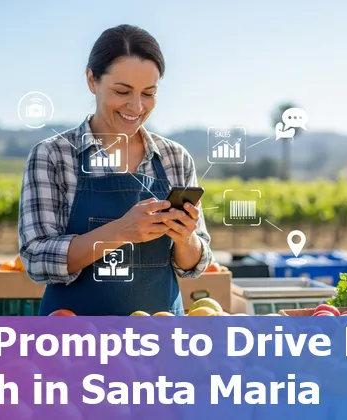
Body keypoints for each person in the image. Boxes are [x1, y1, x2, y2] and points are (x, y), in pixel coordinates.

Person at [18, 24, 213, 316]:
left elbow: (194, 265)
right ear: (91, 80)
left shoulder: (175, 158)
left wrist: (185, 238)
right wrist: (120, 231)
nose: (136, 106)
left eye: (149, 93)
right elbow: (36, 258)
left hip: (160, 334)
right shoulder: (53, 156)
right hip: (73, 334)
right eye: (122, 91)